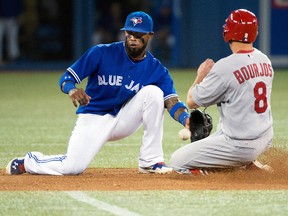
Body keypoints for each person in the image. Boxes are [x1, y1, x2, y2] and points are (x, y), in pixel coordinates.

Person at [6, 11, 190, 175]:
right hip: (93, 117)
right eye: (129, 33)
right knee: (71, 168)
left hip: (123, 119)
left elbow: (171, 101)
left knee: (154, 93)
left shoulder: (156, 69)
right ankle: (29, 162)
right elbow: (66, 79)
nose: (133, 38)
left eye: (138, 34)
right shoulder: (101, 53)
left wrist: (187, 120)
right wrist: (72, 89)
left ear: (150, 36)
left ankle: (151, 161)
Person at [170, 9, 274, 175]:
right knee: (225, 122)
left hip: (240, 145)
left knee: (177, 161)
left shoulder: (226, 67)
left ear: (229, 32)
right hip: (265, 138)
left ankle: (233, 169)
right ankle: (249, 163)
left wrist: (201, 76)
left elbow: (191, 101)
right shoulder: (265, 60)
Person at [0, 0, 23, 65]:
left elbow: (19, 4)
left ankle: (14, 58)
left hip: (12, 17)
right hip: (1, 18)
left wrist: (19, 15)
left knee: (13, 39)